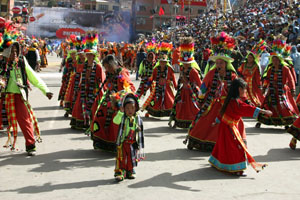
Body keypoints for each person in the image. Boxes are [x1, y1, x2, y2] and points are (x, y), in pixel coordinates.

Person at [0, 36, 53, 156]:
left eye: (16, 51)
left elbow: (34, 78)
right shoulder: (1, 63)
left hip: (20, 97)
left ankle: (30, 145)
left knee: (25, 121)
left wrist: (46, 90)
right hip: (4, 97)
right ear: (6, 52)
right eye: (11, 51)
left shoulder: (22, 61)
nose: (14, 53)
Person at [184, 32, 237, 151]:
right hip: (211, 102)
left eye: (221, 63)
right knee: (205, 120)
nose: (219, 65)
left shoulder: (232, 75)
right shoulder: (212, 73)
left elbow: (236, 90)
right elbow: (203, 87)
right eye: (217, 63)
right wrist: (201, 99)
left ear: (226, 63)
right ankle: (196, 140)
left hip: (226, 104)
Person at [209, 78, 272, 176]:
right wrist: (264, 111)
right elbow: (249, 109)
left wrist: (216, 121)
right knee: (237, 148)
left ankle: (216, 162)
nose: (245, 91)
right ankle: (236, 169)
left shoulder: (229, 100)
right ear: (239, 89)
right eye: (244, 89)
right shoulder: (236, 104)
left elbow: (222, 112)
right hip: (229, 128)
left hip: (224, 126)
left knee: (222, 145)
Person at [91, 54, 135, 152]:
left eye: (108, 66)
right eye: (106, 67)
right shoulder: (109, 74)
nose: (107, 69)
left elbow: (130, 88)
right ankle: (102, 142)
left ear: (113, 64)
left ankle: (118, 144)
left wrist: (118, 97)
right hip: (109, 100)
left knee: (116, 122)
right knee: (99, 117)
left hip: (120, 102)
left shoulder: (122, 73)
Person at [256, 39, 299, 128]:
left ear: (279, 60)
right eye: (273, 59)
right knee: (267, 104)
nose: (275, 61)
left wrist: (292, 89)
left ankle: (286, 122)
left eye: (276, 59)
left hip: (282, 90)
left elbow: (290, 79)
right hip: (271, 89)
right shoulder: (270, 69)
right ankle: (261, 121)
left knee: (284, 105)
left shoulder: (285, 68)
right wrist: (264, 88)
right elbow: (267, 79)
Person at [70, 33, 105, 130]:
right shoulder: (84, 65)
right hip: (84, 87)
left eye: (91, 55)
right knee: (79, 104)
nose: (89, 57)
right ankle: (82, 123)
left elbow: (101, 80)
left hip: (94, 89)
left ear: (94, 56)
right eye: (88, 55)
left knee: (95, 106)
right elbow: (80, 75)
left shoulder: (98, 67)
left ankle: (93, 123)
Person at [169, 37, 202, 128]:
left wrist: (202, 91)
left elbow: (199, 83)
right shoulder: (182, 69)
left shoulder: (193, 71)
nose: (185, 64)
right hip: (183, 91)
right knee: (179, 106)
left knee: (192, 108)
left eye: (186, 63)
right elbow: (180, 78)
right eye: (183, 62)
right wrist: (178, 85)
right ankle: (177, 121)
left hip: (191, 92)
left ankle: (194, 123)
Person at [113, 93, 145, 182]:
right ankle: (121, 172)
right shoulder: (122, 117)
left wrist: (138, 129)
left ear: (136, 108)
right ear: (124, 109)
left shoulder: (137, 119)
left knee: (132, 157)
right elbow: (115, 121)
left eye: (132, 108)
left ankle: (130, 171)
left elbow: (138, 130)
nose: (130, 110)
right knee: (122, 157)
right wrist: (120, 112)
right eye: (127, 108)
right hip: (123, 142)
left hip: (133, 142)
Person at [143, 42, 177, 118]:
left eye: (164, 62)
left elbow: (173, 77)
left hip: (167, 88)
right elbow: (151, 78)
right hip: (158, 87)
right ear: (159, 62)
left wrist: (175, 86)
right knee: (154, 100)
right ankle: (150, 112)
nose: (162, 63)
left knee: (169, 101)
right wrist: (147, 86)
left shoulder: (169, 69)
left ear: (166, 62)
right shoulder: (156, 69)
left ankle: (172, 114)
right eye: (161, 62)